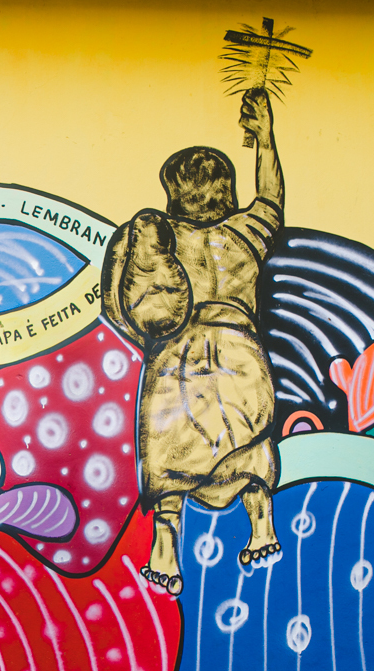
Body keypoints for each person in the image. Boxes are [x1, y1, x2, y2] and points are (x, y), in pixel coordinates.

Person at [101, 87, 284, 596]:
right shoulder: (248, 233)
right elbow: (271, 197)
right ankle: (261, 520)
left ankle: (165, 543)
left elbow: (126, 295)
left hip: (177, 356)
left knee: (168, 443)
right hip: (240, 348)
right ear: (225, 189)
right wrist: (264, 137)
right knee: (249, 436)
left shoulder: (161, 239)